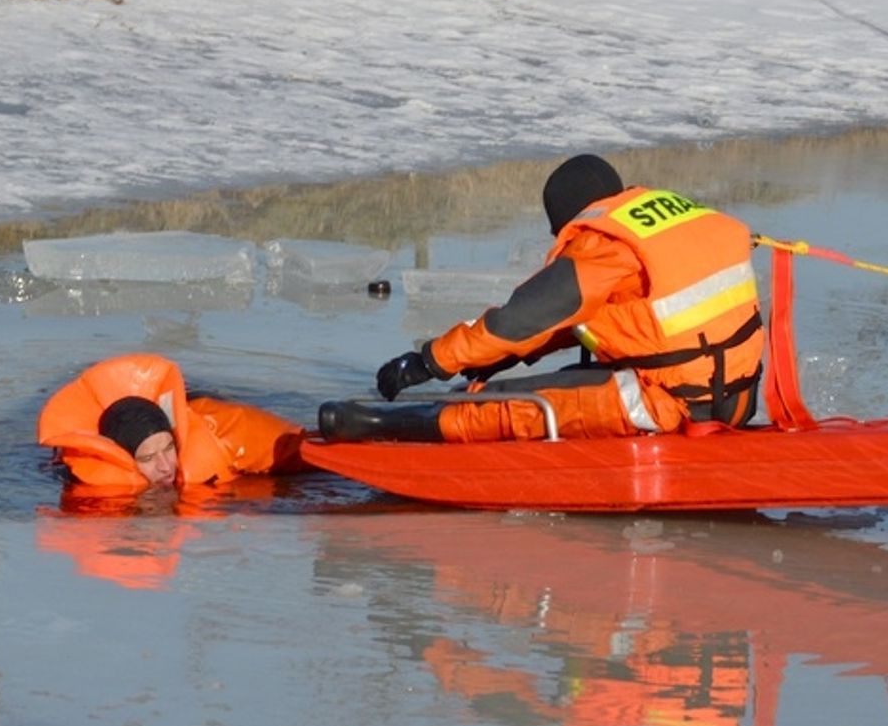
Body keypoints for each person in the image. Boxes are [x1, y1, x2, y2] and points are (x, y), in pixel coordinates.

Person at [318, 153, 764, 442]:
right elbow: (598, 319)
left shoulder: (602, 242)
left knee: (498, 403)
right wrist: (499, 357)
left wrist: (430, 361)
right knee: (537, 378)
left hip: (668, 406)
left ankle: (382, 427)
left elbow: (524, 318)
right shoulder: (673, 221)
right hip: (738, 399)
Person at [38, 353, 313, 492]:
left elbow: (307, 450)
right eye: (148, 458)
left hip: (203, 408)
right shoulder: (84, 482)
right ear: (123, 458)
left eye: (168, 449)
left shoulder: (218, 430)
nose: (166, 466)